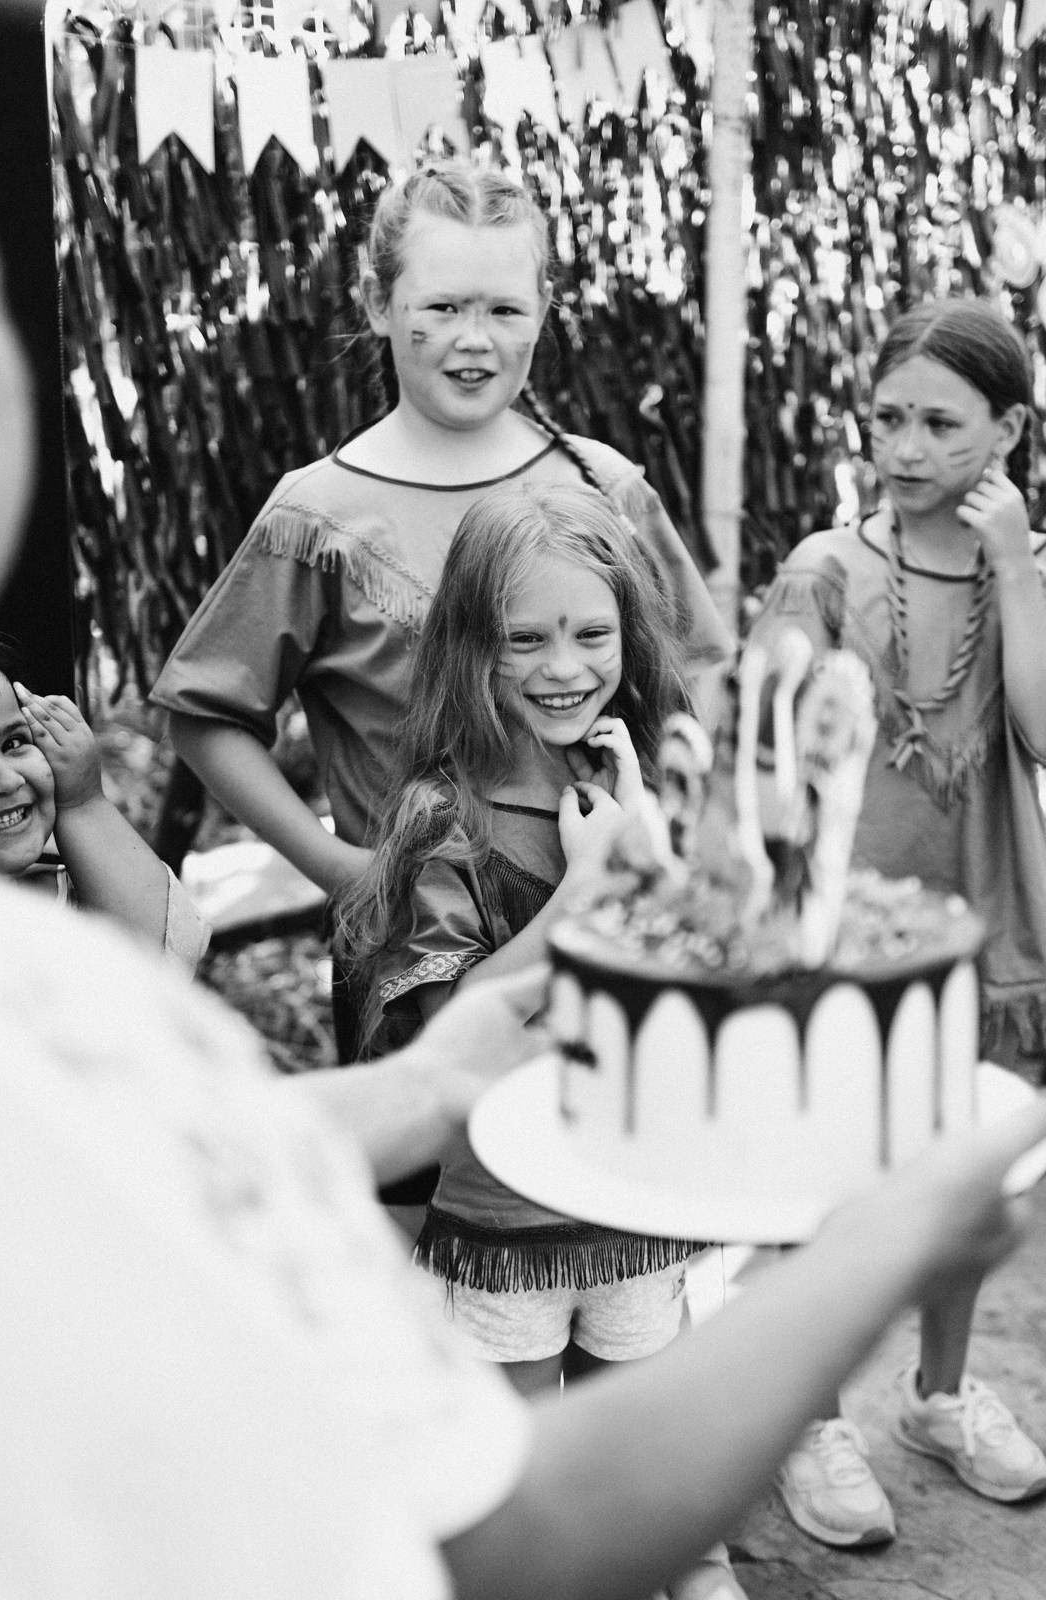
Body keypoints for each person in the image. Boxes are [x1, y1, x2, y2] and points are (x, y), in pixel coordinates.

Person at [0, 4, 1046, 1597]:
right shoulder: (4, 1004)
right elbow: (515, 1536)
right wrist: (879, 1242)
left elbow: (68, 1174)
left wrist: (423, 1084)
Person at [151, 158, 734, 1085]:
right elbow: (204, 714)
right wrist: (344, 869)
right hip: (426, 968)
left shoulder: (602, 487)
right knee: (440, 1173)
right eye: (442, 307)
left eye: (504, 309)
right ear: (377, 304)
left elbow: (698, 676)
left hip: (622, 947)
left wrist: (671, 842)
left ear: (544, 309)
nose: (474, 339)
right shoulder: (320, 517)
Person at [750, 298, 1046, 1549]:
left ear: (1010, 430)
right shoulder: (826, 567)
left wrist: (1013, 564)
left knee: (962, 1169)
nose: (905, 449)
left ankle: (940, 1394)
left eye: (940, 424)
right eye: (889, 419)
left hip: (983, 915)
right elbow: (768, 737)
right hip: (837, 929)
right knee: (818, 1177)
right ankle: (810, 1416)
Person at [340, 481, 732, 1597]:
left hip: (637, 1198)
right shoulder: (444, 820)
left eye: (592, 634)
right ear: (473, 646)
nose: (565, 666)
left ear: (630, 637)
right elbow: (443, 1027)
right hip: (505, 1218)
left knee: (638, 1424)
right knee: (517, 1472)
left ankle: (684, 1558)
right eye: (527, 639)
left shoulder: (640, 787)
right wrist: (583, 892)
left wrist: (655, 848)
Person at [0, 635, 209, 962]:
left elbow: (166, 958)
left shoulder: (76, 885)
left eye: (13, 743)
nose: (7, 780)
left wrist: (83, 801)